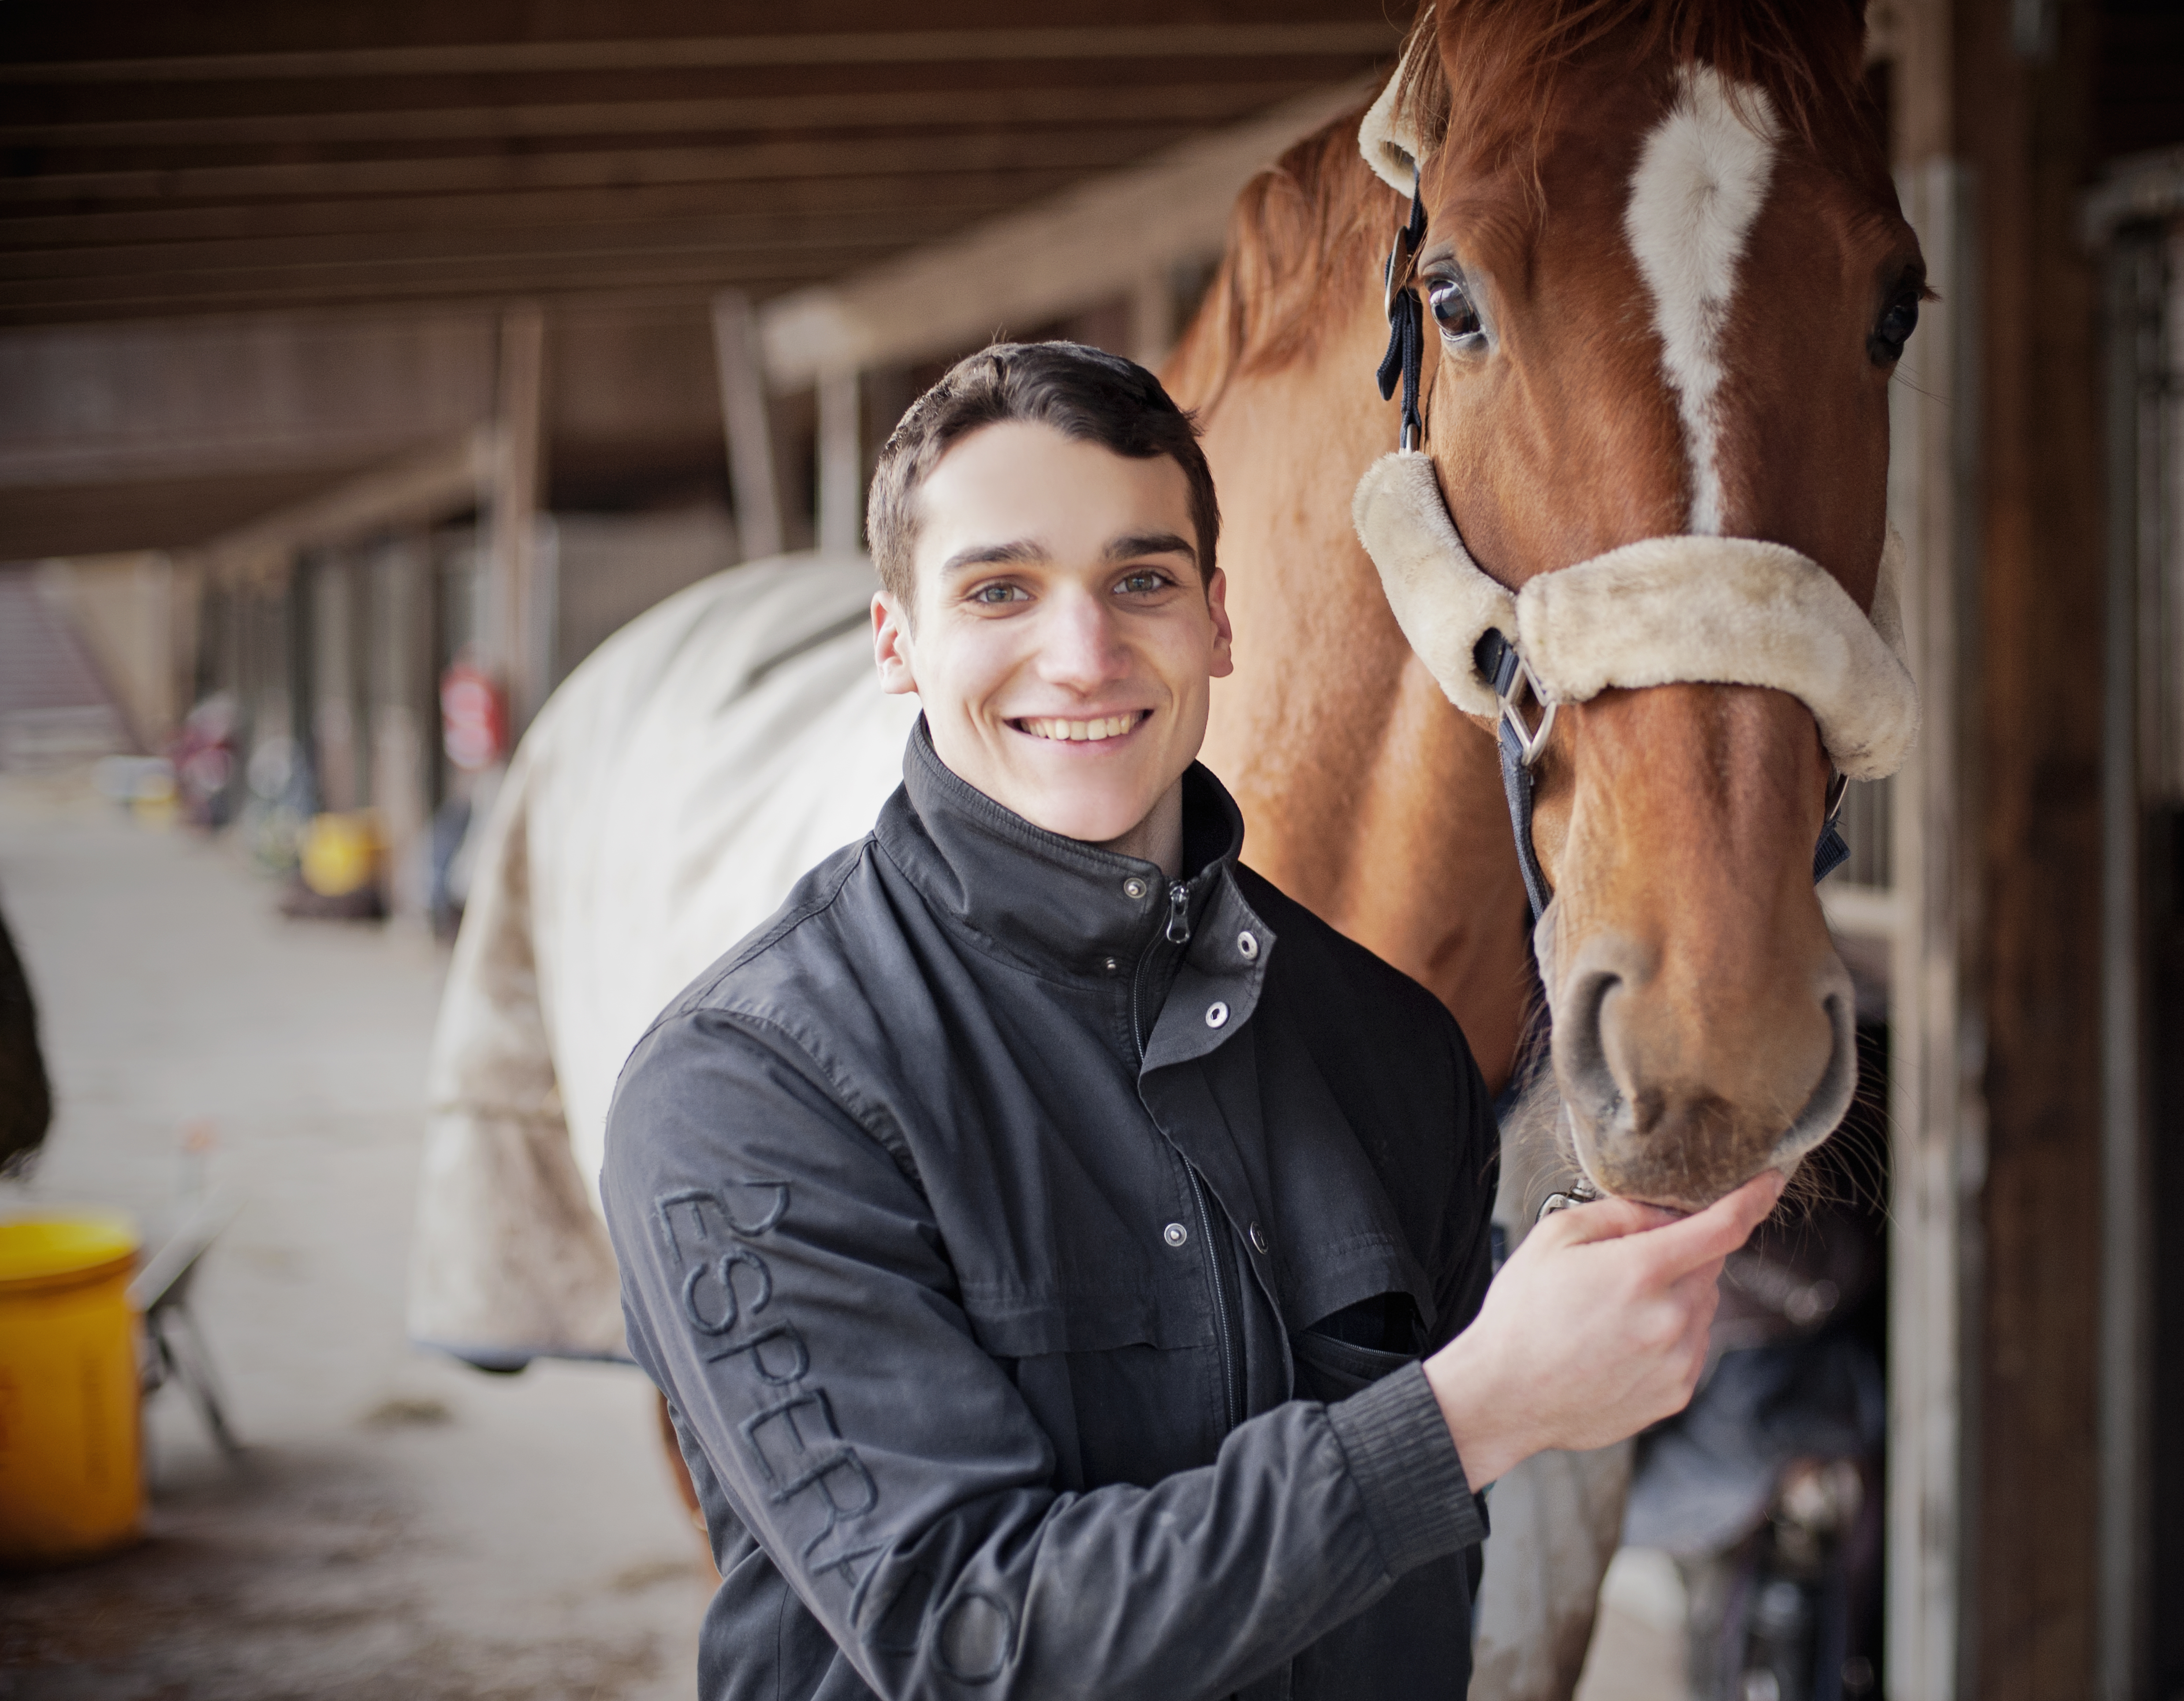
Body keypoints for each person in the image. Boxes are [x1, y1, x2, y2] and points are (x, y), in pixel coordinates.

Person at [601, 342, 1781, 1701]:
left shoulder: (1392, 1052)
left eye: (1141, 579)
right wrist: (1479, 1409)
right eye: (1000, 589)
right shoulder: (747, 1091)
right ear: (898, 643)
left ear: (1218, 621)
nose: (1085, 652)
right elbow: (971, 1636)